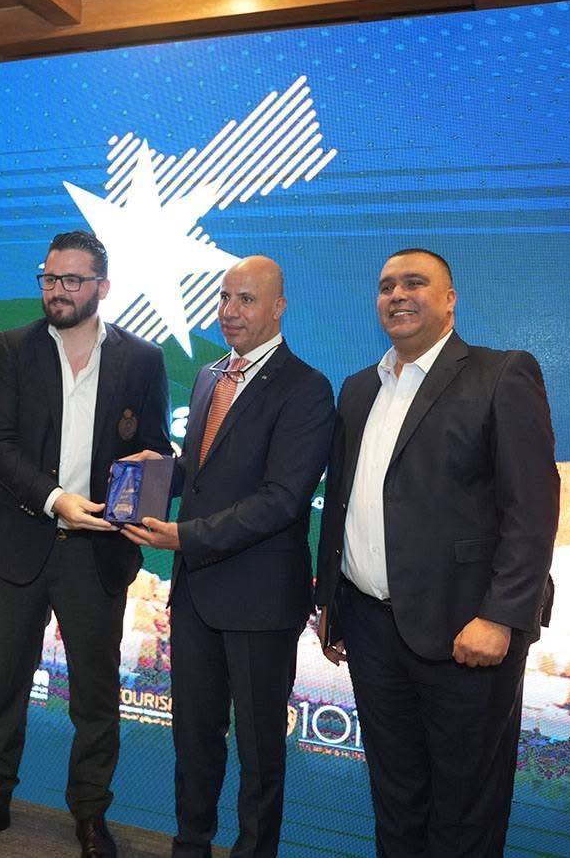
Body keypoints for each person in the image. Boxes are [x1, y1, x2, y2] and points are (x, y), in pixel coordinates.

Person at [315, 248, 559, 857]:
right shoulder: (358, 389)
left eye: (415, 283)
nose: (398, 295)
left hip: (465, 633)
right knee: (395, 800)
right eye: (386, 286)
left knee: (465, 811)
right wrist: (332, 606)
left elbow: (532, 510)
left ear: (450, 300)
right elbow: (342, 503)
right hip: (371, 629)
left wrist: (501, 616)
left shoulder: (501, 374)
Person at [0, 231, 171, 858]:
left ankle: (91, 815)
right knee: (5, 684)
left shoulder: (143, 360)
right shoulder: (13, 348)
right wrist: (54, 498)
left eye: (72, 280)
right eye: (49, 278)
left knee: (95, 696)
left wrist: (151, 475)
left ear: (103, 286)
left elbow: (157, 448)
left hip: (97, 554)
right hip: (21, 541)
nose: (58, 291)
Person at [123, 255, 334, 857]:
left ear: (279, 307)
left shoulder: (307, 388)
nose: (230, 311)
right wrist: (161, 471)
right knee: (193, 741)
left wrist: (185, 537)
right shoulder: (210, 376)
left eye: (246, 299)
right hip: (196, 595)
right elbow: (205, 472)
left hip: (260, 602)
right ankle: (190, 846)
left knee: (260, 754)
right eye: (223, 298)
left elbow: (282, 500)